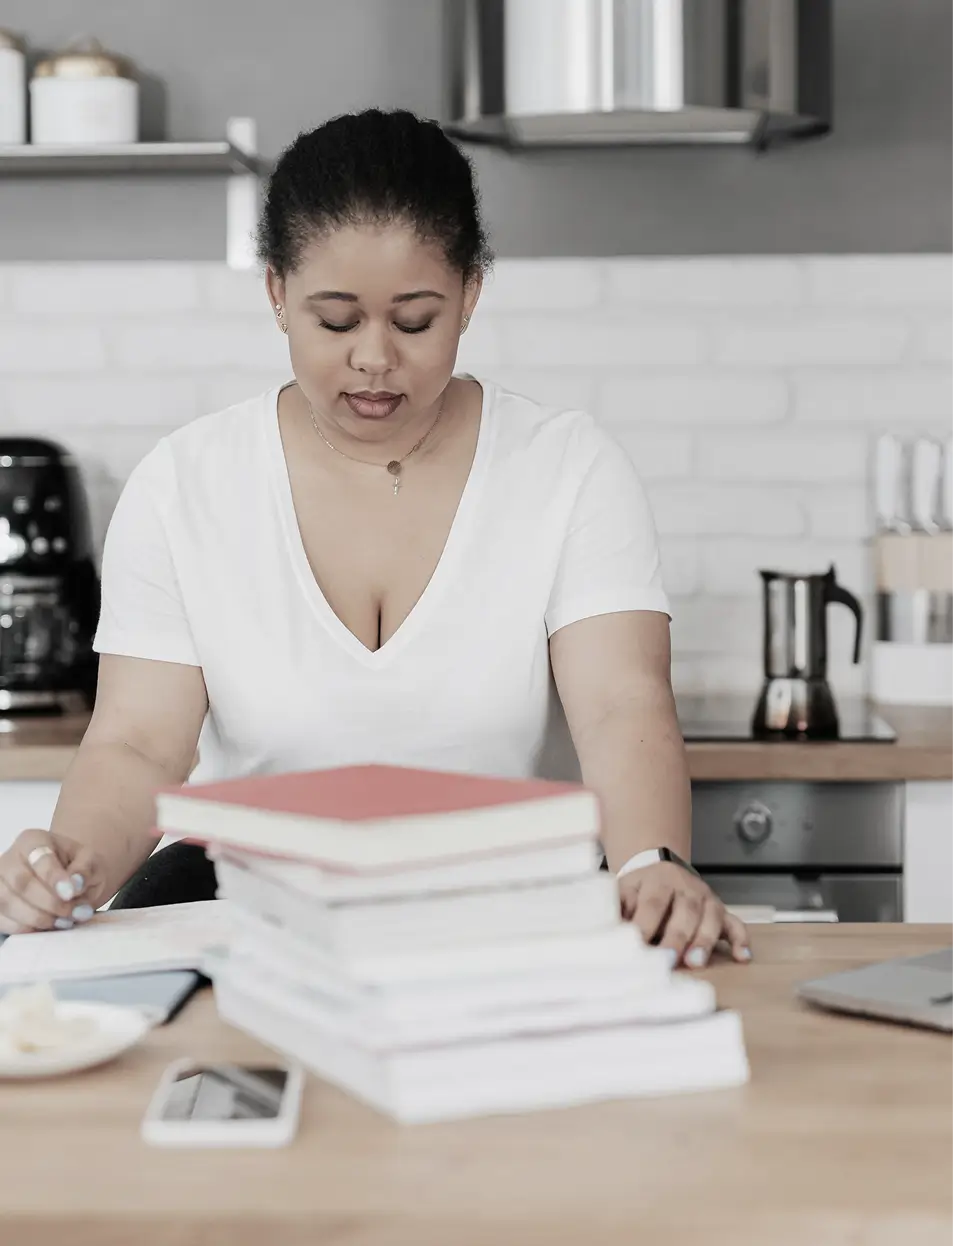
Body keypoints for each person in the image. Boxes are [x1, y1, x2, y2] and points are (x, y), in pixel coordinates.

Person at [0, 109, 749, 969]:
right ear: (277, 292)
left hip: (505, 909)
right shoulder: (183, 483)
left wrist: (652, 861)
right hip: (249, 910)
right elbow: (136, 742)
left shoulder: (568, 466)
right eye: (336, 320)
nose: (374, 359)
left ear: (470, 293)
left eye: (415, 320)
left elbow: (621, 705)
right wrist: (71, 866)